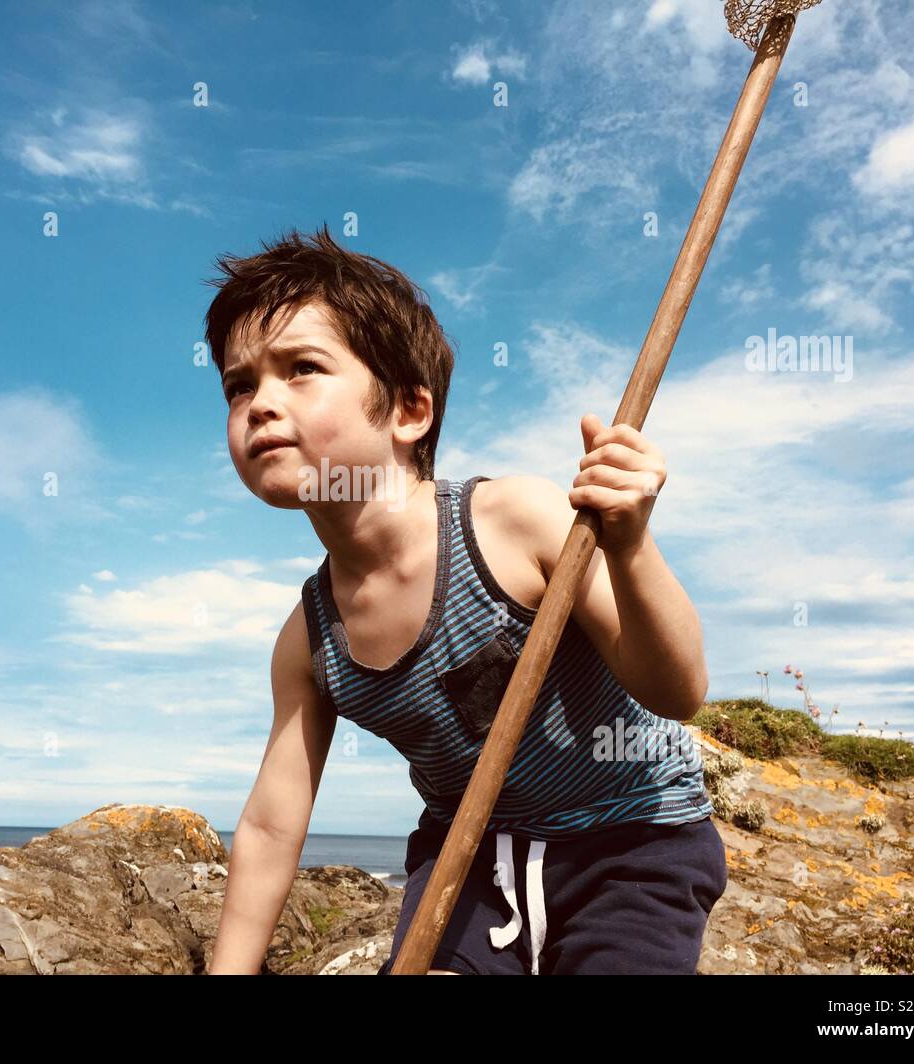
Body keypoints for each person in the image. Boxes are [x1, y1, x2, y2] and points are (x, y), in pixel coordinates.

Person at [203, 224, 727, 975]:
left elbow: (679, 689)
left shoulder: (515, 524)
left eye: (302, 368)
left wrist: (631, 543)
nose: (259, 403)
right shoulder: (310, 642)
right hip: (470, 857)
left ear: (410, 412)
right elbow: (270, 826)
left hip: (633, 840)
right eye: (239, 384)